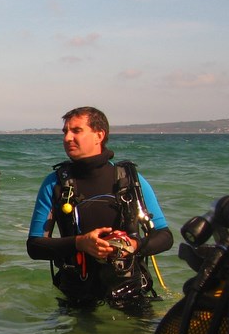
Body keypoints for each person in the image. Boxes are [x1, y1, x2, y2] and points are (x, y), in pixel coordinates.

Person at [27, 106, 173, 309]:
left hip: (129, 290)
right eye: (65, 132)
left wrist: (133, 245)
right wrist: (80, 243)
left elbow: (165, 237)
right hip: (77, 294)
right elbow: (35, 246)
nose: (67, 138)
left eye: (76, 131)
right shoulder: (55, 184)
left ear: (99, 135)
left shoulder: (130, 180)